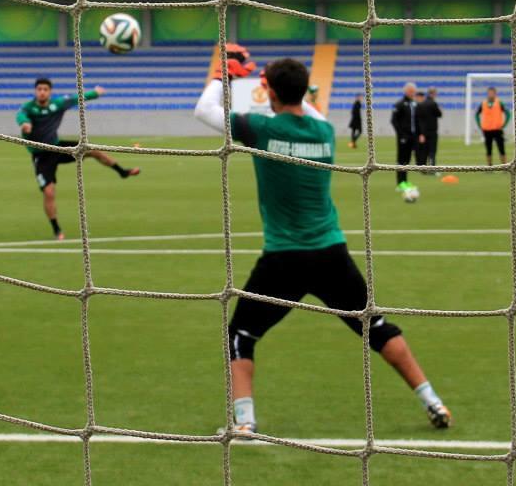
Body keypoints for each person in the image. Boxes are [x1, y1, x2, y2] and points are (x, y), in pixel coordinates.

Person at [193, 57, 451, 435]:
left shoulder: (260, 128)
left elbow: (203, 110)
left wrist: (224, 72)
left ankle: (244, 423)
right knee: (376, 327)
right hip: (331, 254)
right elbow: (309, 110)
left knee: (241, 336)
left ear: (269, 92)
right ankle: (433, 401)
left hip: (283, 259)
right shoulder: (324, 132)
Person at [17, 77, 140, 240]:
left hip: (58, 148)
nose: (42, 92)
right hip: (41, 155)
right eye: (39, 89)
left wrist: (95, 93)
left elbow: (77, 98)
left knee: (93, 150)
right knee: (49, 192)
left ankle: (122, 171)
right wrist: (25, 125)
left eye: (45, 89)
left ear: (50, 92)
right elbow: (21, 117)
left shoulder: (58, 104)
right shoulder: (28, 107)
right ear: (35, 91)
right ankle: (57, 229)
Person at [390, 82, 420, 192]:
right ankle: (400, 183)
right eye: (411, 91)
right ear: (406, 91)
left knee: (407, 160)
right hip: (403, 137)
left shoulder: (414, 104)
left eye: (414, 91)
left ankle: (405, 181)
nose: (413, 93)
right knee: (401, 160)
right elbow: (394, 121)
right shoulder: (400, 104)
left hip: (413, 136)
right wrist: (401, 134)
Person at [475, 86, 510, 166]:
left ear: (495, 94)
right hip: (486, 130)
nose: (491, 94)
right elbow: (476, 114)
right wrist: (480, 125)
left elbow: (508, 114)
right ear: (487, 94)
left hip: (497, 129)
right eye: (489, 93)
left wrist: (504, 124)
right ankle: (489, 166)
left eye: (492, 93)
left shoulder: (499, 103)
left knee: (501, 148)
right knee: (488, 149)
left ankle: (504, 166)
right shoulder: (483, 103)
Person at [416, 87, 443, 170]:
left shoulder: (421, 104)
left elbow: (419, 119)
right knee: (432, 151)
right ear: (434, 94)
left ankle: (422, 168)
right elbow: (439, 114)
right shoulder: (433, 104)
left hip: (423, 131)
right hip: (432, 131)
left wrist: (421, 133)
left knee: (424, 150)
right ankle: (432, 168)